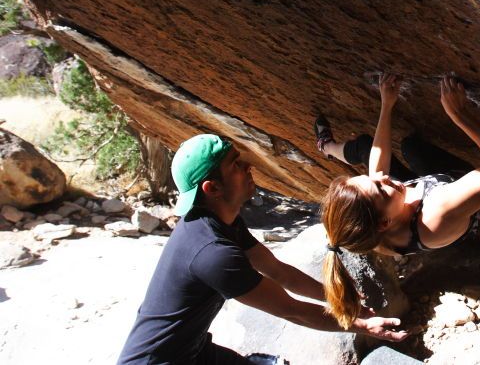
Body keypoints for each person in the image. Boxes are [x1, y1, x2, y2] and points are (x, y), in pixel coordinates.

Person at [118, 134, 407, 365]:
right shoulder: (213, 253)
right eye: (236, 165)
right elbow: (292, 310)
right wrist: (360, 325)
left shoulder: (222, 222)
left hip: (191, 351)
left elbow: (281, 273)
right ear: (212, 189)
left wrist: (343, 301)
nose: (248, 167)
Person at [315, 73, 480, 329]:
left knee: (371, 148)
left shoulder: (372, 230)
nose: (382, 178)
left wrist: (387, 104)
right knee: (411, 148)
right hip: (450, 182)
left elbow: (377, 170)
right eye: (380, 189)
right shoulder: (439, 210)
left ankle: (326, 147)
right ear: (383, 223)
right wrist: (461, 115)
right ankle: (333, 148)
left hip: (413, 198)